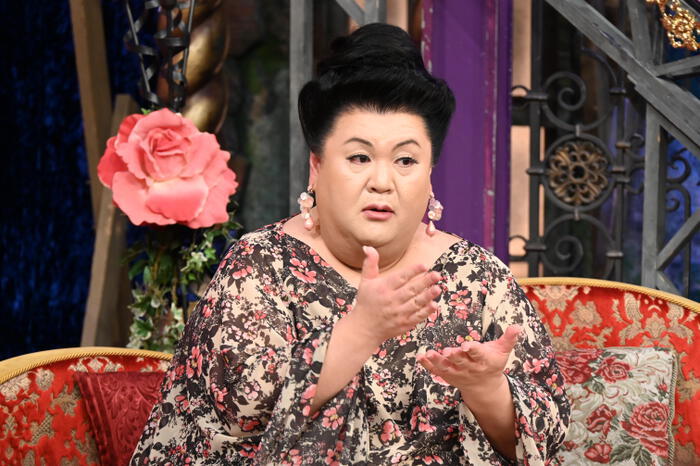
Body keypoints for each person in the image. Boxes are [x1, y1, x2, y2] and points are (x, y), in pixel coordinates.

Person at [131, 23, 569, 465]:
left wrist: (485, 387)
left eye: (406, 160)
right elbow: (242, 412)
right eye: (359, 157)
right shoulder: (261, 264)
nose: (382, 181)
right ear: (317, 166)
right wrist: (362, 329)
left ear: (430, 175)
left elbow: (543, 440)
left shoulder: (479, 276)